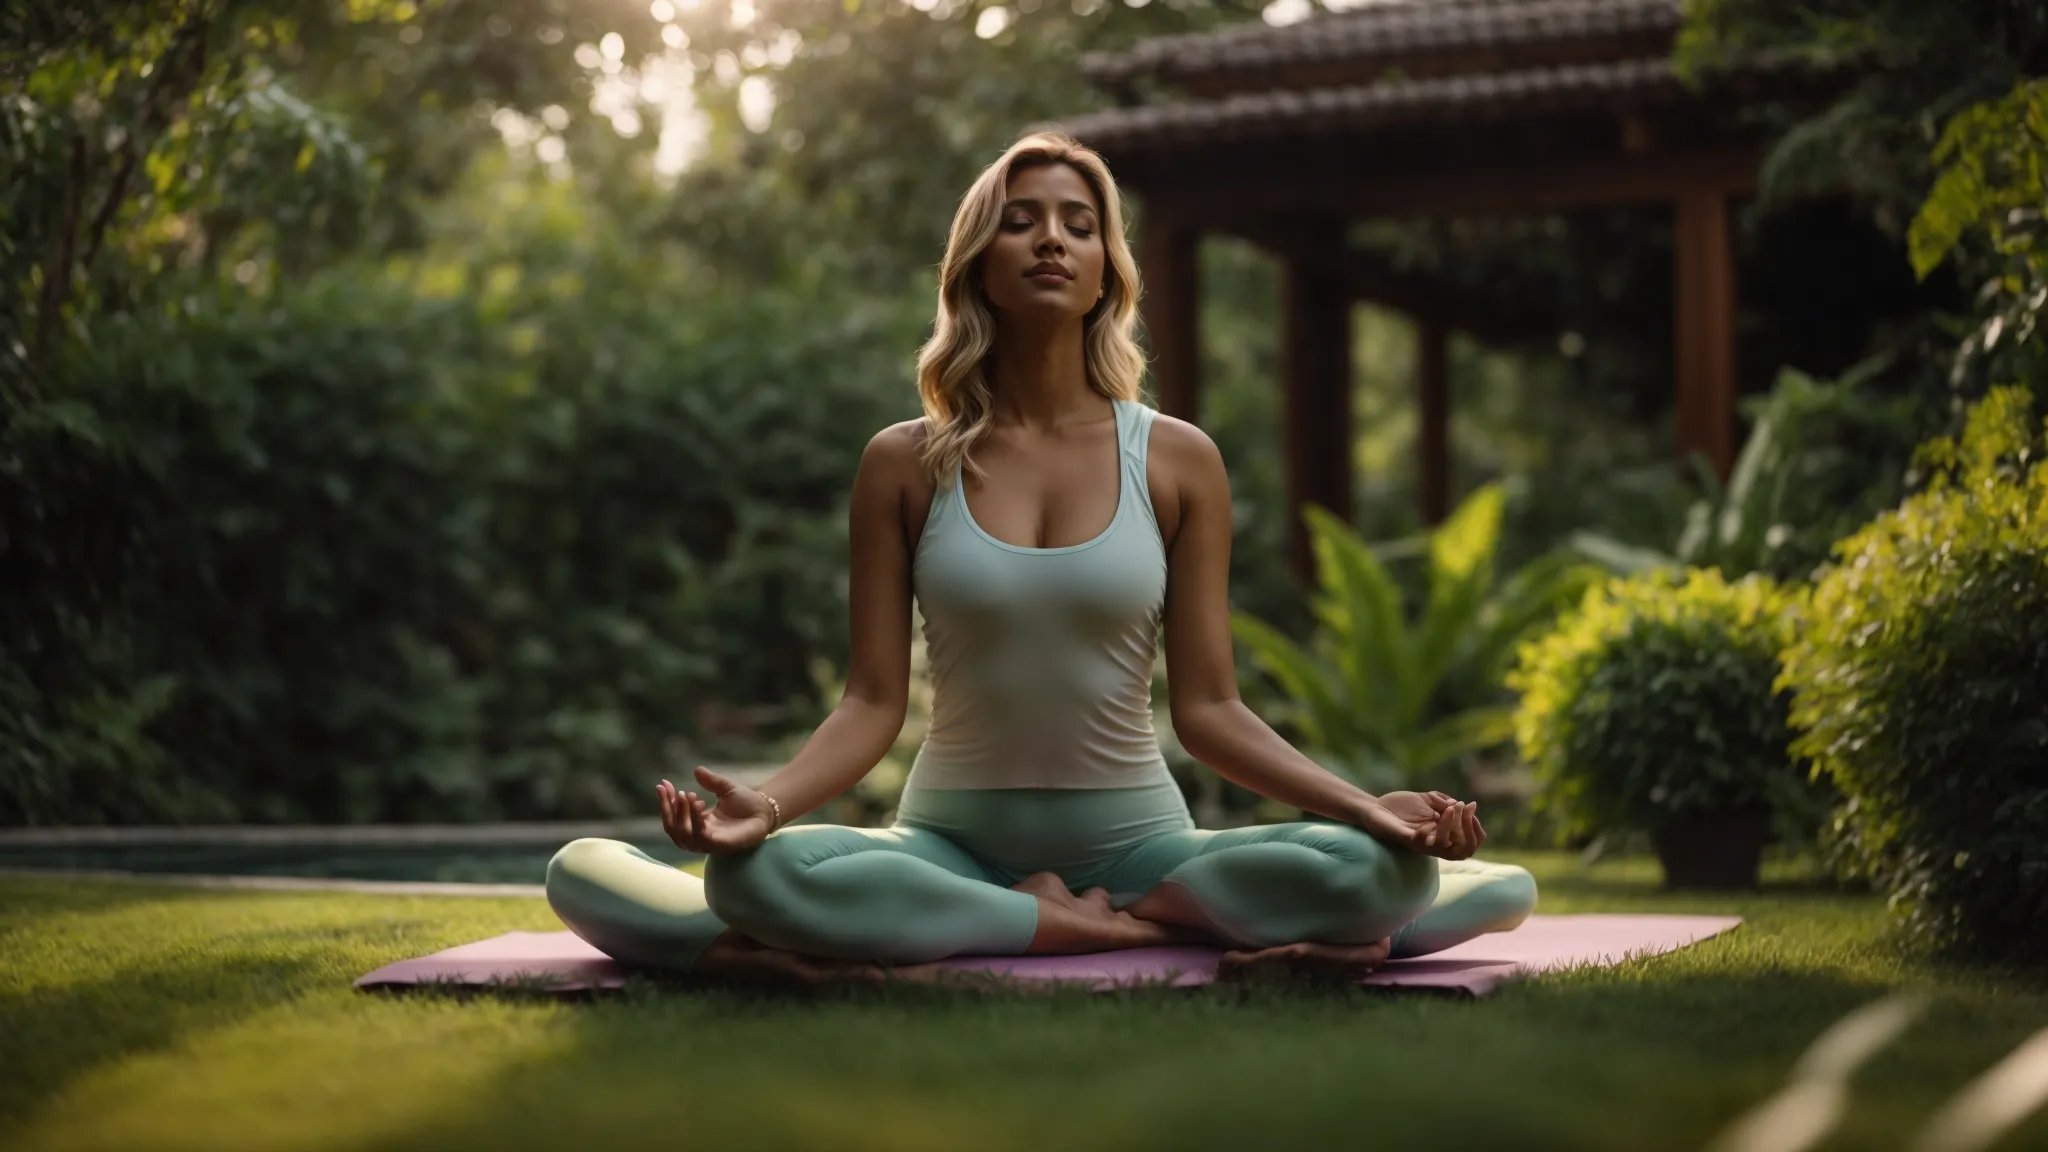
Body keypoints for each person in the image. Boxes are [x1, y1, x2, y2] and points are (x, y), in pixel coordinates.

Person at [545, 131, 1537, 985]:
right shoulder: (903, 463)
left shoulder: (1178, 458)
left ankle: (1084, 919)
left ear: (1108, 264)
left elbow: (1211, 710)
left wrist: (1365, 811)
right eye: (1020, 219)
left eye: (1077, 221)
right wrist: (761, 810)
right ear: (976, 258)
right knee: (711, 875)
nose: (1051, 237)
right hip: (943, 844)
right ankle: (1059, 925)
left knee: (1388, 871)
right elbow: (869, 704)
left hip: (1147, 849)